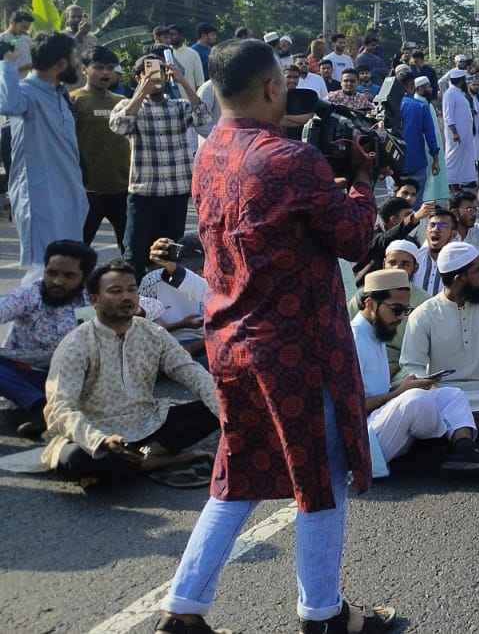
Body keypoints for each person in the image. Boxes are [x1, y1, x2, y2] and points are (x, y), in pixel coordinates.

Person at [155, 38, 395, 634]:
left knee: (237, 471)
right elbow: (354, 239)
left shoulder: (209, 153)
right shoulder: (292, 160)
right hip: (295, 348)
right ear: (270, 87)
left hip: (230, 340)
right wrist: (362, 179)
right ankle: (323, 614)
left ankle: (183, 608)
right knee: (319, 475)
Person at [41, 260, 220, 480]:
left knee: (219, 404)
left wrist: (227, 413)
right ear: (94, 300)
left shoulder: (153, 333)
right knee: (72, 462)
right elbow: (59, 407)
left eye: (131, 290)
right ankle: (160, 460)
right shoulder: (76, 344)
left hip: (148, 421)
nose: (126, 297)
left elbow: (191, 372)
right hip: (99, 431)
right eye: (116, 291)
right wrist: (99, 441)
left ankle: (143, 459)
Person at [399, 241, 479, 443]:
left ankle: (455, 428)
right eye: (478, 270)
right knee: (429, 411)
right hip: (444, 392)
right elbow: (412, 366)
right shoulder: (423, 315)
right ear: (460, 279)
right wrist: (433, 396)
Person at [110, 52, 212, 277]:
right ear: (138, 77)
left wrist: (183, 80)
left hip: (176, 192)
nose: (155, 78)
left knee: (170, 253)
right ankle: (134, 301)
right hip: (144, 193)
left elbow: (204, 119)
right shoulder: (128, 106)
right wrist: (141, 93)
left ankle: (165, 300)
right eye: (148, 72)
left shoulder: (179, 106)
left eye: (159, 72)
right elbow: (119, 126)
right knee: (135, 252)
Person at [1, 33, 88, 271]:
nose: (79, 64)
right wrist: (7, 63)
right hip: (41, 200)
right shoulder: (26, 93)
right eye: (75, 58)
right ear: (61, 64)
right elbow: (8, 105)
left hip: (70, 199)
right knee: (44, 273)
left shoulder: (60, 94)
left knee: (70, 271)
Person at [0, 240, 97, 436]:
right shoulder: (30, 294)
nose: (57, 281)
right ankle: (42, 409)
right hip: (26, 374)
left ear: (84, 277)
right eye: (51, 273)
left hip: (70, 378)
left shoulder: (92, 300)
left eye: (68, 275)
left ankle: (55, 413)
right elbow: (4, 307)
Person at [70, 46, 132, 252]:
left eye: (109, 68)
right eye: (98, 67)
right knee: (78, 250)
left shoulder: (122, 103)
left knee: (130, 250)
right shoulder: (74, 100)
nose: (105, 72)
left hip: (121, 188)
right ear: (84, 69)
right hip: (87, 190)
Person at [140, 235, 209, 349]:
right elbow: (143, 329)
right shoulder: (152, 281)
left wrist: (191, 348)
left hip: (203, 346)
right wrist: (181, 324)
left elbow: (218, 333)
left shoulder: (213, 280)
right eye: (192, 268)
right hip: (163, 344)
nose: (199, 272)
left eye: (202, 267)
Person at [395, 73, 440, 205]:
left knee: (397, 201)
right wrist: (435, 158)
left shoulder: (388, 106)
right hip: (416, 162)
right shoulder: (420, 106)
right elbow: (430, 135)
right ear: (412, 86)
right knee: (416, 200)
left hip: (395, 163)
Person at [440, 69, 479, 192]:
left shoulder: (459, 93)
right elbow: (448, 116)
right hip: (456, 134)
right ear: (460, 80)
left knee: (464, 158)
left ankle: (460, 182)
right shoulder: (450, 94)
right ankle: (451, 184)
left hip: (464, 133)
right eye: (465, 80)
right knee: (453, 158)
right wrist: (455, 133)